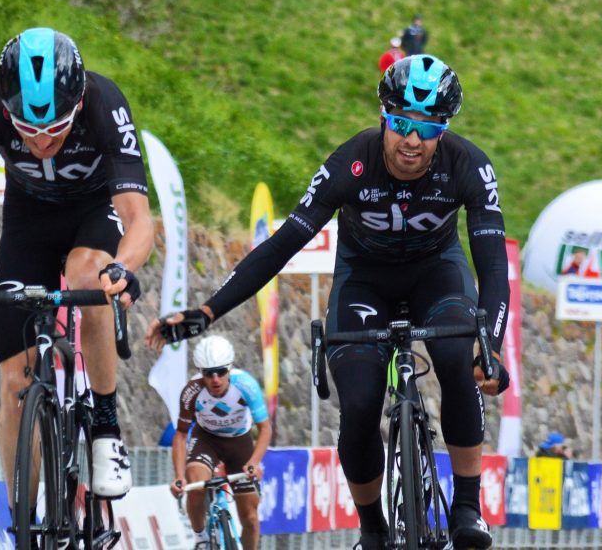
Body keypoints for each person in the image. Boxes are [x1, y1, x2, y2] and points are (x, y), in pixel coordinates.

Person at [149, 55, 511, 550]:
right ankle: (372, 529)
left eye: (427, 129)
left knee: (457, 358)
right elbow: (281, 246)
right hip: (364, 281)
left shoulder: (469, 165)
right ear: (384, 115)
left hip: (438, 274)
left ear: (443, 130)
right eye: (402, 123)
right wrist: (207, 311)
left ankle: (468, 506)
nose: (412, 140)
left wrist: (488, 346)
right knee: (360, 403)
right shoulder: (350, 164)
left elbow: (492, 267)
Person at [0, 27, 155, 501]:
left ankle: (105, 427)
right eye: (28, 132)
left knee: (86, 274)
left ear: (76, 103)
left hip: (95, 214)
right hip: (28, 224)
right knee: (15, 383)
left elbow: (138, 218)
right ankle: (24, 525)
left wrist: (124, 269)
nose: (41, 143)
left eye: (54, 129)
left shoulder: (103, 103)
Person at [170, 336, 270, 550]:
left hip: (239, 442)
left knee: (250, 518)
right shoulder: (191, 391)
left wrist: (254, 462)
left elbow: (265, 429)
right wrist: (179, 476)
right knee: (195, 488)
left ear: (230, 368)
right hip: (206, 439)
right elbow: (180, 435)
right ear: (200, 372)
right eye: (208, 373)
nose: (215, 379)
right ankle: (201, 540)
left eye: (221, 372)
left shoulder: (246, 385)